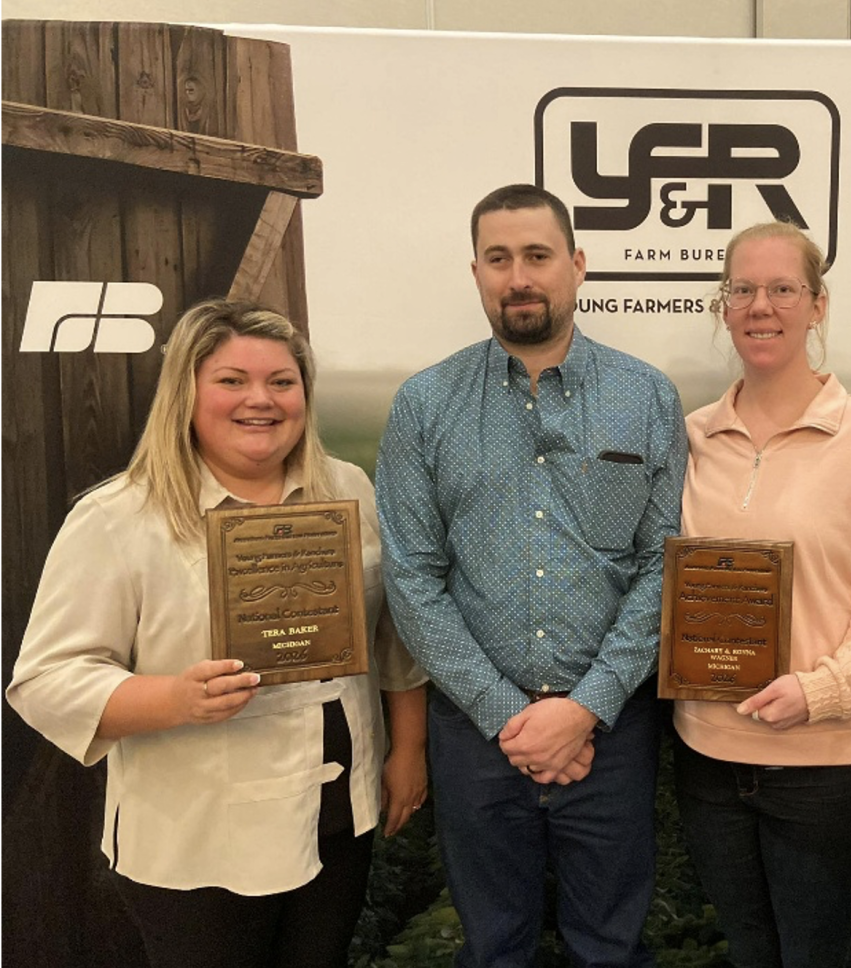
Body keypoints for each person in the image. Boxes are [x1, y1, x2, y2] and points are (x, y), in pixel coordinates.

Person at [6, 299, 429, 968]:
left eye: (281, 382)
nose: (260, 400)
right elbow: (45, 680)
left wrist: (408, 747)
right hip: (198, 837)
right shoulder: (118, 517)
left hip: (337, 815)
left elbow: (393, 637)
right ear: (187, 393)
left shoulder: (348, 490)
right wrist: (172, 699)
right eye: (232, 380)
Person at [375, 183, 687, 968]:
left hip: (611, 732)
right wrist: (504, 714)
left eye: (538, 256)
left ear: (578, 266)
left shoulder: (646, 395)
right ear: (476, 271)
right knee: (494, 948)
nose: (519, 276)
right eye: (499, 258)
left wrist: (584, 710)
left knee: (609, 949)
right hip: (476, 738)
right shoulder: (424, 403)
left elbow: (663, 564)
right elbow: (413, 576)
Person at [671, 220, 851, 968]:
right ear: (723, 307)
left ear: (817, 306)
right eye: (743, 289)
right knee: (751, 952)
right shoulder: (689, 437)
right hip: (708, 757)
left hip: (825, 766)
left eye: (783, 289)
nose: (762, 306)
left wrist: (822, 691)